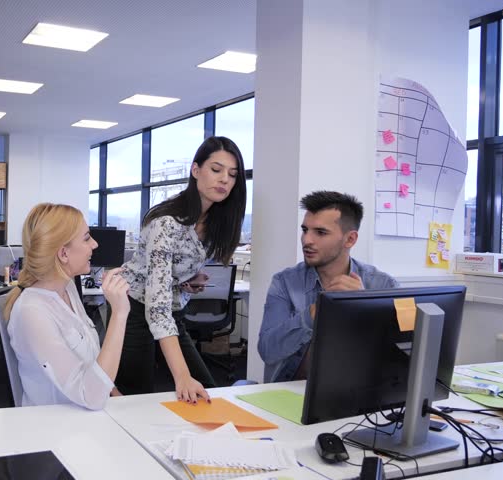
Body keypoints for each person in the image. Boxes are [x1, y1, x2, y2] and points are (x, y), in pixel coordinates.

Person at [118, 136, 247, 403]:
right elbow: (156, 306)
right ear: (196, 170)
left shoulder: (215, 224)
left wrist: (185, 279)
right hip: (136, 309)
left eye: (232, 175)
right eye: (216, 169)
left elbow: (168, 278)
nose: (224, 179)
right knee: (133, 400)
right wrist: (181, 376)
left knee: (207, 393)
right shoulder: (166, 223)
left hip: (173, 311)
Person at [258, 191, 399, 383]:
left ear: (350, 239)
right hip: (292, 391)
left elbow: (399, 355)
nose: (307, 240)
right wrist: (316, 311)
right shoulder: (285, 282)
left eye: (320, 232)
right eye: (305, 230)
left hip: (358, 391)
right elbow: (268, 350)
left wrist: (366, 308)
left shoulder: (384, 285)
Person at [4, 203, 131, 410]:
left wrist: (115, 393)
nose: (95, 244)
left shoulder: (67, 289)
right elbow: (90, 397)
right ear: (63, 254)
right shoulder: (32, 311)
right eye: (87, 238)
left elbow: (91, 366)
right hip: (58, 428)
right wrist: (119, 313)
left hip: (85, 418)